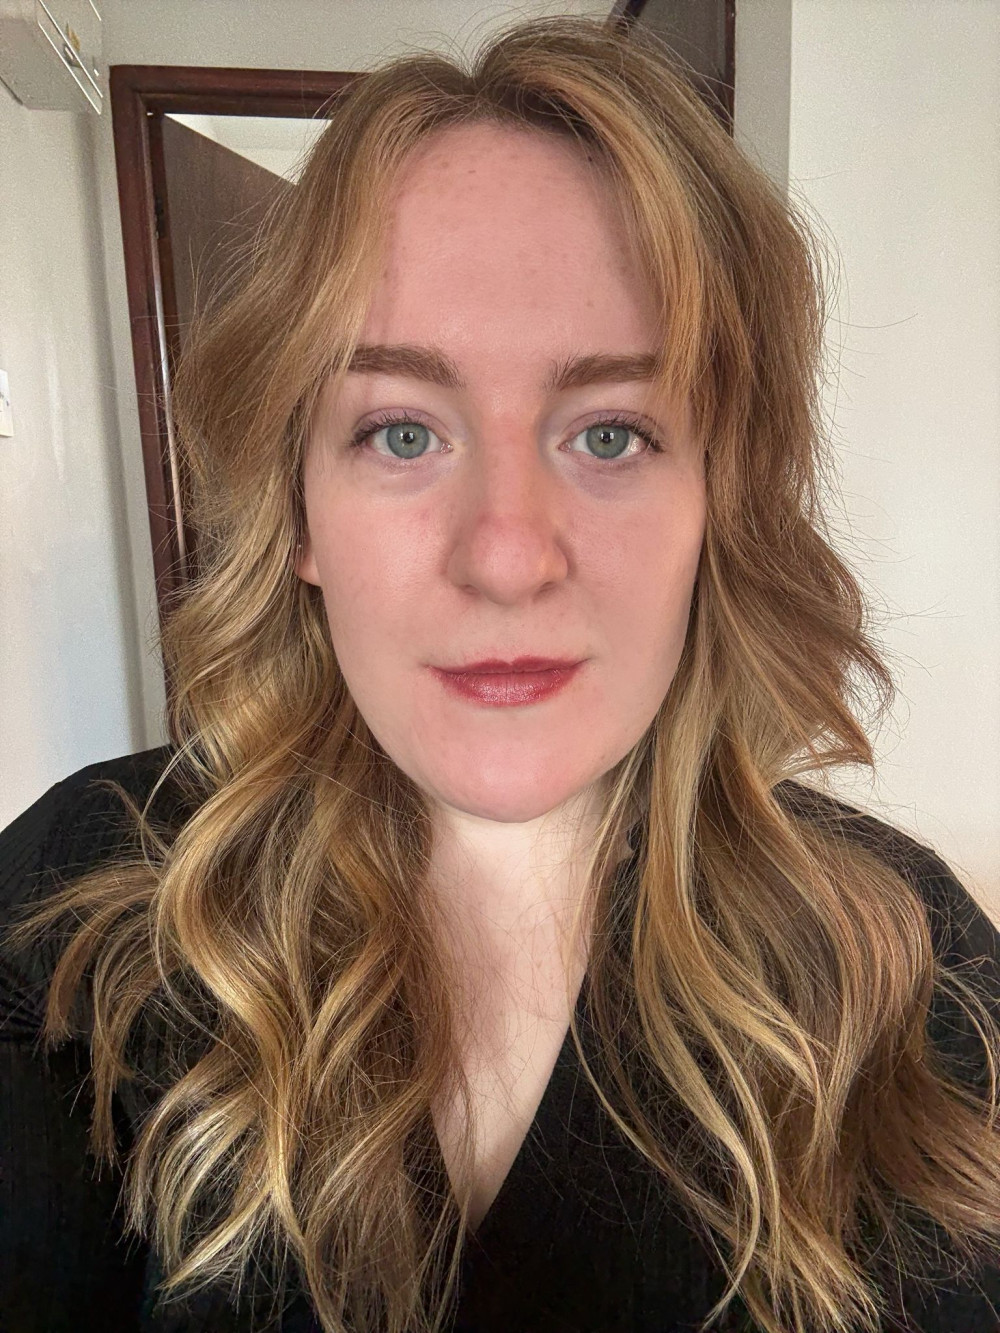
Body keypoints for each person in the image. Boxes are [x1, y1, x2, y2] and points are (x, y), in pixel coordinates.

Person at [1, 14, 999, 1333]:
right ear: (298, 514)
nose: (511, 555)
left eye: (613, 432)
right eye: (402, 431)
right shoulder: (82, 897)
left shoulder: (907, 966)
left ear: (720, 500)